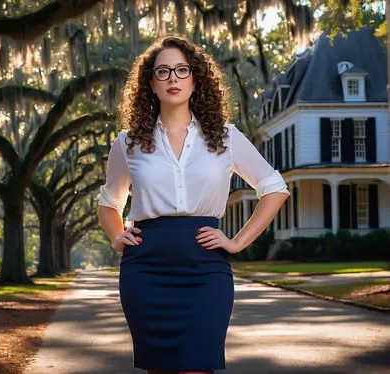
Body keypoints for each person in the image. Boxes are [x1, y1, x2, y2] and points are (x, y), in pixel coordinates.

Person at [97, 34, 290, 374]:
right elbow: (110, 202)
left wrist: (237, 241)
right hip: (146, 270)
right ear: (150, 84)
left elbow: (274, 187)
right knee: (159, 369)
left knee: (197, 367)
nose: (173, 78)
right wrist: (116, 237)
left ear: (196, 79)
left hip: (206, 271)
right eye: (163, 72)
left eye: (182, 70)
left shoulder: (226, 137)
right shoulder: (128, 143)